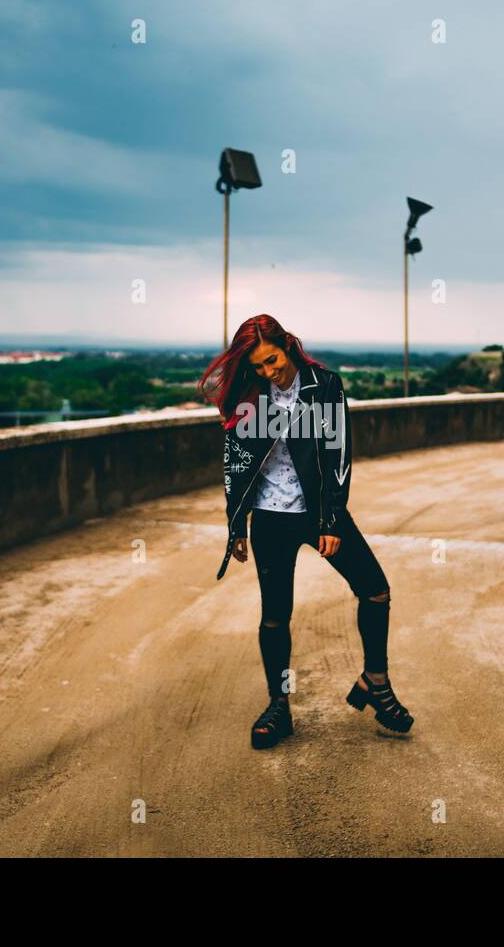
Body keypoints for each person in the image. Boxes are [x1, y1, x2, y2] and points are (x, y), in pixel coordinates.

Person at [198, 314, 414, 749]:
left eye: (272, 360)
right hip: (269, 517)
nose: (268, 372)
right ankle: (278, 707)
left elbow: (339, 455)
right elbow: (236, 465)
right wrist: (236, 525)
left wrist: (330, 521)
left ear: (288, 346)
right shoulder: (251, 396)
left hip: (317, 513)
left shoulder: (324, 386)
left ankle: (376, 681)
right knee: (275, 616)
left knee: (375, 590)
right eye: (258, 366)